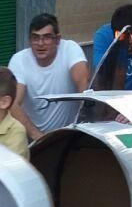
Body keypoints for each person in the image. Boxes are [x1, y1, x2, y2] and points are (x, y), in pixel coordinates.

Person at [8, 13, 89, 142]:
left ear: (58, 39)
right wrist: (38, 137)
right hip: (33, 137)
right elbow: (13, 102)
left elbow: (83, 84)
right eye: (35, 38)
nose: (40, 43)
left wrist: (86, 122)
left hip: (70, 134)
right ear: (29, 40)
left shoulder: (70, 48)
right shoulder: (19, 60)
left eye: (46, 37)